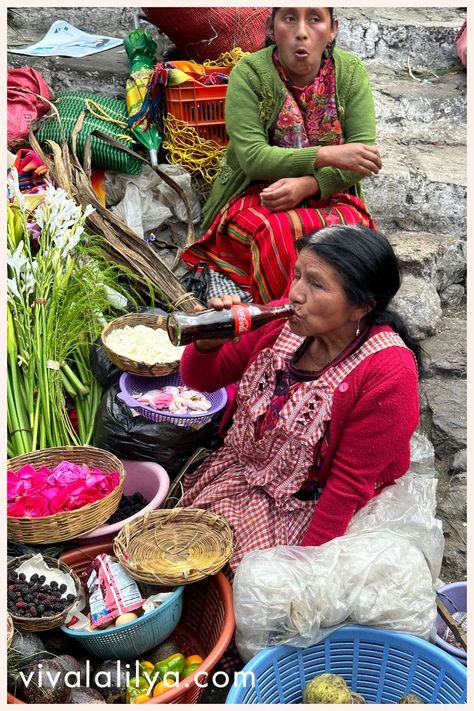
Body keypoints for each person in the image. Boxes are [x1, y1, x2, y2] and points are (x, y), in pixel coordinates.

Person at [179, 225, 420, 575]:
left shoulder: (387, 372)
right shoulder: (282, 324)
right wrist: (208, 343)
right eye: (297, 276)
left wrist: (303, 570)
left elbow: (347, 487)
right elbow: (202, 379)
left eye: (316, 284)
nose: (295, 294)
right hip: (242, 476)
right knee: (183, 558)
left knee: (237, 585)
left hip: (307, 508)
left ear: (360, 307)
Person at [181, 7, 382, 304]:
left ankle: (339, 321)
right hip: (257, 193)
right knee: (279, 233)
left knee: (354, 238)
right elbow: (253, 158)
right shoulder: (249, 74)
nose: (302, 31)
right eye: (289, 19)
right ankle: (283, 320)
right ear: (271, 28)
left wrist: (309, 185)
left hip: (330, 192)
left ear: (332, 29)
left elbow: (361, 158)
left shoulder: (350, 73)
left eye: (315, 19)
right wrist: (327, 154)